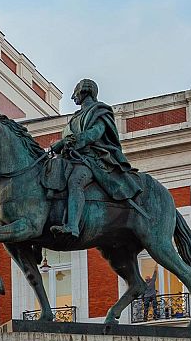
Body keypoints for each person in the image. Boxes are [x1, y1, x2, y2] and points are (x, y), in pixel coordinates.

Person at [45, 78, 142, 240]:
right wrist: (61, 146)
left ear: (84, 90)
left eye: (75, 92)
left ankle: (72, 226)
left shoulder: (99, 111)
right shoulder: (76, 117)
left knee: (75, 182)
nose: (73, 97)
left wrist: (69, 141)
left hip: (92, 159)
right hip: (72, 158)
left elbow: (95, 133)